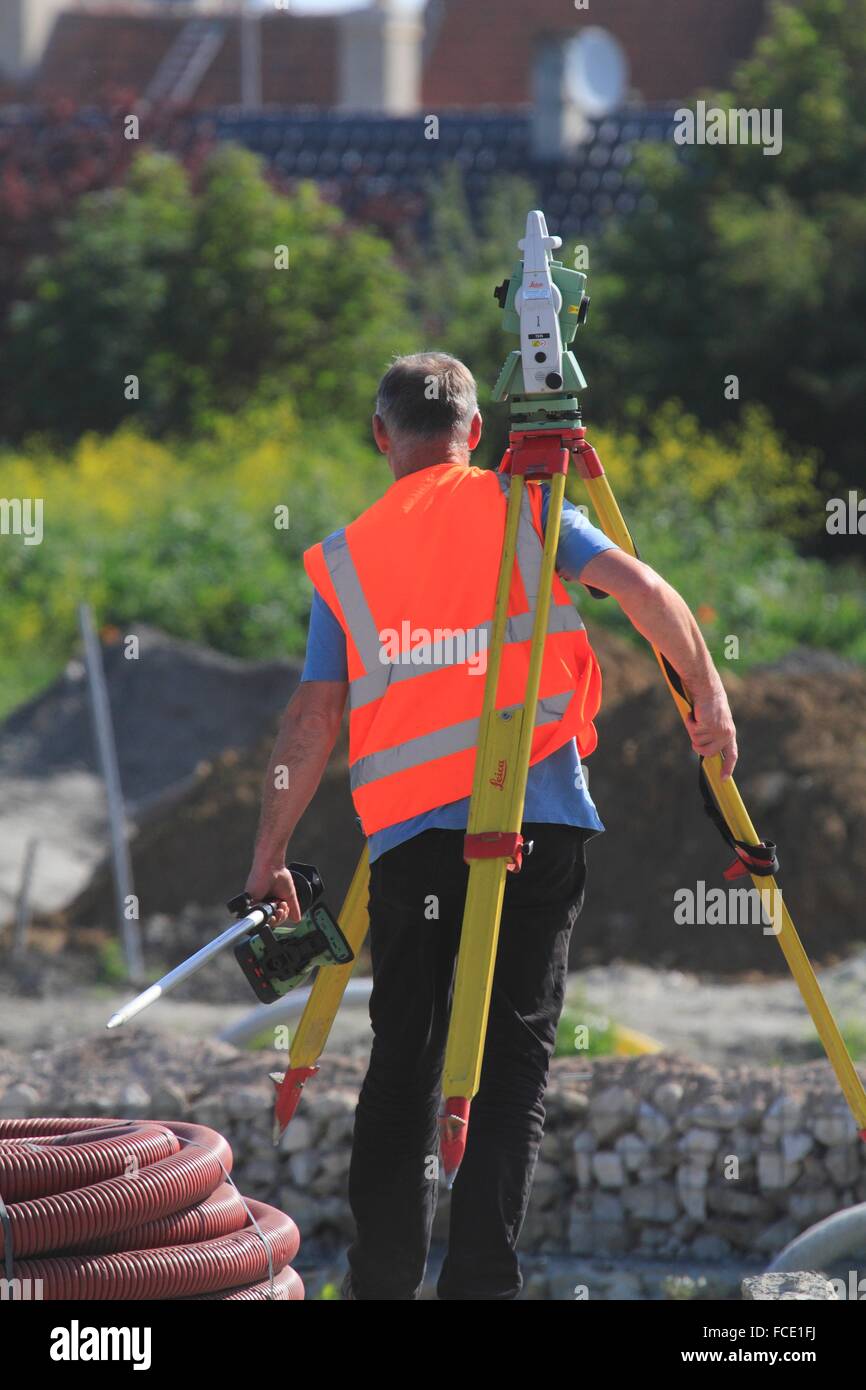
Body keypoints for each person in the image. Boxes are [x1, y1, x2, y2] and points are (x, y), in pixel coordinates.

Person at [245, 352, 738, 1300]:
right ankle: (482, 1287)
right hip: (537, 823)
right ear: (475, 431)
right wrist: (708, 699)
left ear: (381, 436)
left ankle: (381, 1285)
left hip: (412, 844)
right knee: (513, 1064)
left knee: (404, 1065)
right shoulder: (529, 507)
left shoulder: (347, 558)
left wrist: (268, 858)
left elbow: (311, 719)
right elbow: (644, 590)